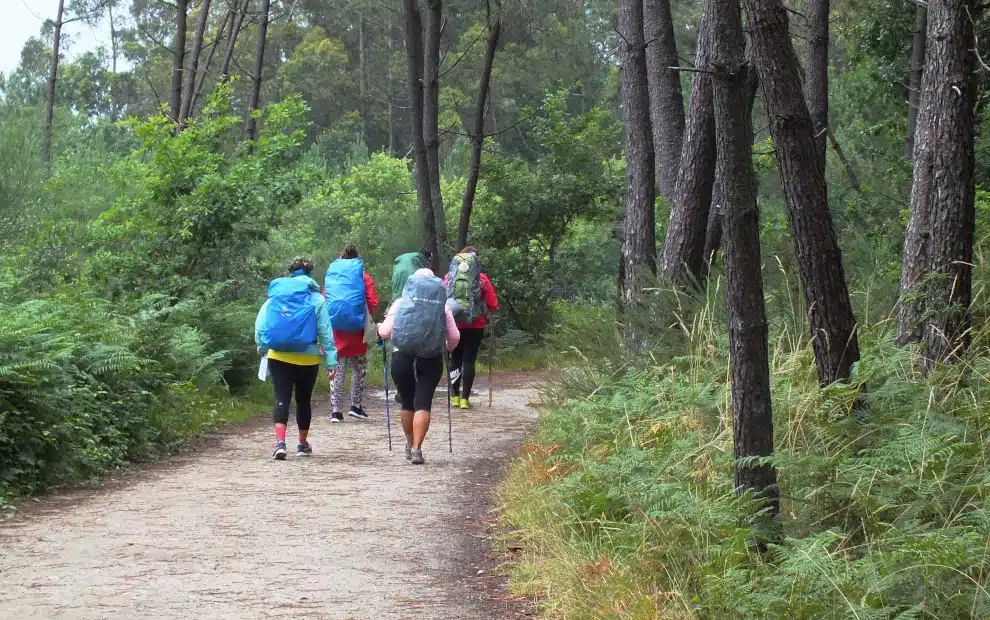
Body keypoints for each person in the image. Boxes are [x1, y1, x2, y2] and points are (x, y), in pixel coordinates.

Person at [255, 256, 337, 460]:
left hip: (278, 355)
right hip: (307, 357)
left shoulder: (275, 296)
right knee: (303, 400)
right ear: (310, 273)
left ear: (291, 272)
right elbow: (325, 331)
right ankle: (301, 444)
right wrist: (331, 360)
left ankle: (280, 443)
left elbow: (261, 324)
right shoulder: (316, 298)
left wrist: (262, 346)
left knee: (281, 396)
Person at [378, 268, 460, 465]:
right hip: (430, 358)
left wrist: (380, 326)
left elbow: (384, 332)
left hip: (402, 356)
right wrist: (447, 347)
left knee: (407, 401)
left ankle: (408, 443)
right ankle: (417, 448)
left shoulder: (400, 303)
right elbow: (455, 337)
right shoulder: (443, 306)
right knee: (423, 402)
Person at [324, 243, 379, 423]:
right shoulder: (363, 276)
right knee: (359, 368)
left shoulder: (333, 276)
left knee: (337, 369)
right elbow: (372, 301)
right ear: (357, 258)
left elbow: (325, 300)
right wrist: (365, 318)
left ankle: (335, 411)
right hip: (357, 330)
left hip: (337, 330)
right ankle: (355, 406)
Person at [444, 247, 499, 409]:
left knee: (455, 358)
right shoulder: (481, 279)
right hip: (476, 325)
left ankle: (454, 396)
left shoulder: (449, 278)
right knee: (469, 360)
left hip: (454, 324)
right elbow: (493, 304)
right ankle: (465, 399)